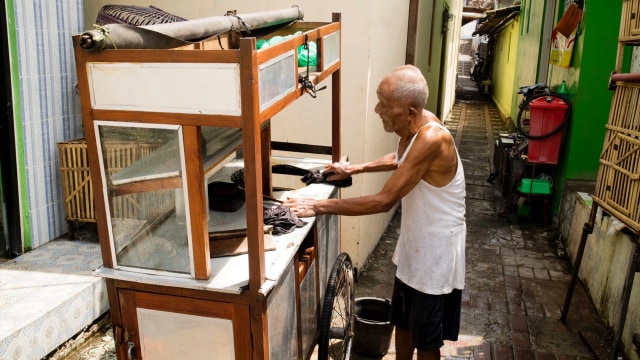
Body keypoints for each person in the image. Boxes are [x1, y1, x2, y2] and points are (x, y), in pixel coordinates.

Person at [282, 64, 466, 360]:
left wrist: (318, 206)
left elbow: (383, 200)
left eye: (384, 103)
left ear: (409, 111)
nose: (377, 109)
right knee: (403, 322)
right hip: (415, 249)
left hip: (437, 257)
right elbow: (401, 158)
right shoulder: (416, 124)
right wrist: (354, 168)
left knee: (427, 339)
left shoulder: (433, 138)